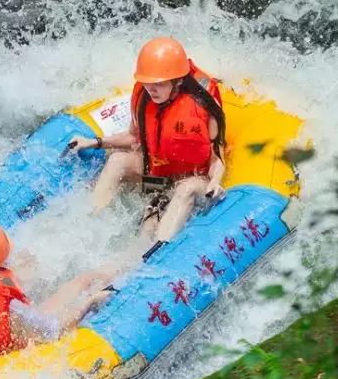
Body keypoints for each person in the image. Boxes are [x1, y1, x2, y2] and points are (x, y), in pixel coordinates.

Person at [68, 37, 227, 258]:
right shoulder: (143, 97)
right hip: (156, 180)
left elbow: (216, 158)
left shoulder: (204, 108)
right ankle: (89, 226)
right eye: (147, 82)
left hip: (190, 182)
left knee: (184, 191)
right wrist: (96, 141)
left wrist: (215, 183)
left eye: (159, 83)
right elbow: (135, 137)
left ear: (178, 81)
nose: (151, 89)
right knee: (117, 161)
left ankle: (157, 254)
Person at [0, 219, 114, 357]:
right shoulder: (7, 300)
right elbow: (53, 329)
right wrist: (90, 301)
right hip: (14, 345)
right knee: (86, 279)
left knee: (81, 279)